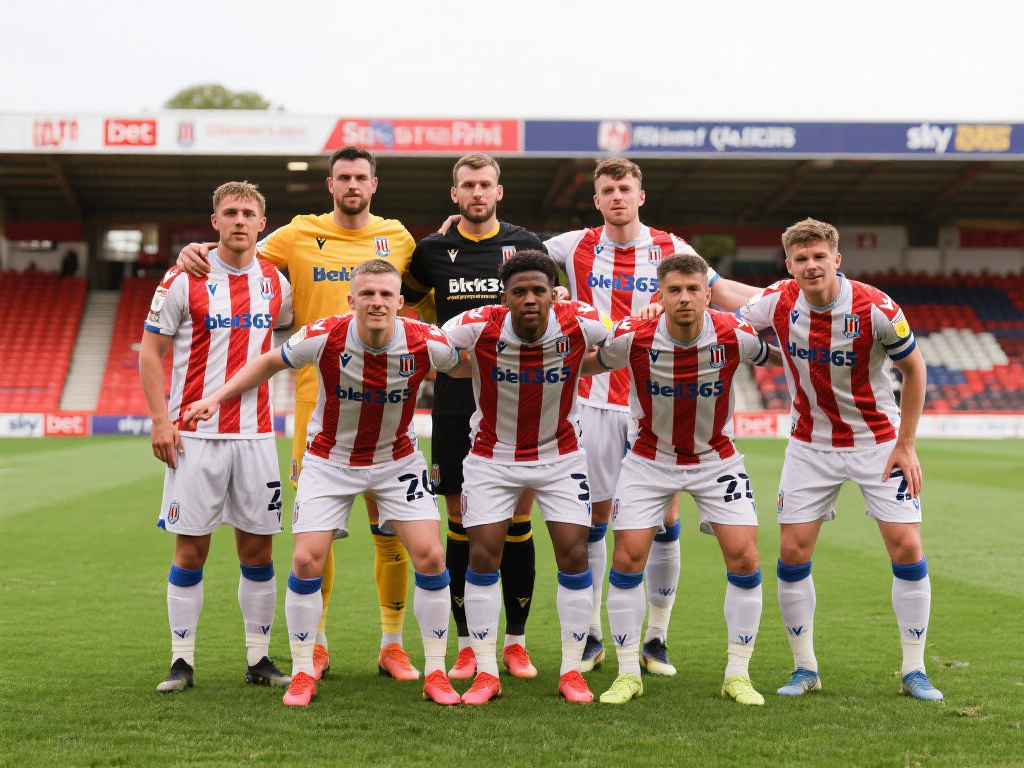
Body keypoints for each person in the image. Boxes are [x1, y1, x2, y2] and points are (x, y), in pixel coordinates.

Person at [176, 146, 419, 683]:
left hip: (388, 399)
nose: (351, 185)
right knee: (318, 530)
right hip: (318, 400)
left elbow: (423, 288)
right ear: (330, 184)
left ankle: (393, 644)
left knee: (391, 530)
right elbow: (236, 251)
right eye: (343, 177)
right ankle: (319, 644)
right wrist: (197, 249)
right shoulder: (296, 233)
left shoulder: (398, 237)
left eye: (360, 177)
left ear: (373, 184)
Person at [183, 260, 464, 707]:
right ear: (351, 300)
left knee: (431, 556)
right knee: (306, 560)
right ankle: (301, 671)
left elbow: (473, 367)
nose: (376, 302)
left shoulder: (427, 341)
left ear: (400, 302)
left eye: (385, 294)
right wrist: (216, 397)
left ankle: (436, 672)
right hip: (330, 461)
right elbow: (269, 362)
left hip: (397, 461)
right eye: (367, 294)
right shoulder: (324, 335)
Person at [543, 158, 760, 675]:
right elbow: (510, 257)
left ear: (640, 195)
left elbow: (719, 290)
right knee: (597, 519)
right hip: (594, 398)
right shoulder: (572, 245)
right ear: (596, 200)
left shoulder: (671, 246)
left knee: (665, 519)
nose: (617, 196)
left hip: (656, 399)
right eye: (607, 189)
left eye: (625, 188)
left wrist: (793, 296)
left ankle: (656, 638)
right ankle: (593, 635)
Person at [739, 217, 942, 701]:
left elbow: (914, 370)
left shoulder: (876, 307)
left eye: (819, 257)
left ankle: (914, 670)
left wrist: (906, 444)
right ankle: (804, 668)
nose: (811, 265)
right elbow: (725, 319)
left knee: (906, 547)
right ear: (789, 265)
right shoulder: (777, 301)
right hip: (810, 445)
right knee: (793, 552)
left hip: (878, 442)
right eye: (801, 259)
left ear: (836, 259)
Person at [582, 253, 775, 706]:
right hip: (649, 460)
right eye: (675, 290)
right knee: (627, 558)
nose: (684, 298)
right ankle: (628, 673)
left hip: (716, 459)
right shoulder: (633, 336)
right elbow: (587, 364)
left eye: (693, 289)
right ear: (661, 296)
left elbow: (785, 355)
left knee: (745, 558)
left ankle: (738, 674)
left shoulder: (735, 333)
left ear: (708, 295)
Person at [140, 181, 294, 694]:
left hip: (256, 436)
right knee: (190, 552)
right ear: (215, 222)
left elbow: (286, 334)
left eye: (248, 213)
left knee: (258, 552)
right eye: (230, 212)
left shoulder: (276, 282)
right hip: (194, 436)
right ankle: (181, 662)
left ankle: (259, 659)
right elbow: (149, 352)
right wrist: (160, 420)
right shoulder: (183, 277)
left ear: (262, 224)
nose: (239, 220)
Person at [401, 153, 547, 681]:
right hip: (456, 401)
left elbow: (550, 307)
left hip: (517, 399)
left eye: (486, 184)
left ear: (498, 191)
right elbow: (405, 306)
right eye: (468, 185)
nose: (477, 192)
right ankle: (466, 646)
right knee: (461, 522)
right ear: (455, 193)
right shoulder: (432, 251)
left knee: (516, 522)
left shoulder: (527, 245)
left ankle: (516, 643)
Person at [441, 250, 609, 705]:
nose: (530, 299)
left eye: (539, 290)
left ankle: (571, 671)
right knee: (482, 557)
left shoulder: (581, 320)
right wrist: (461, 365)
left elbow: (624, 340)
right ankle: (486, 673)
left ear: (554, 294)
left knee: (574, 555)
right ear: (505, 297)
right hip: (491, 458)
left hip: (560, 455)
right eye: (519, 291)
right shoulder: (478, 323)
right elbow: (431, 346)